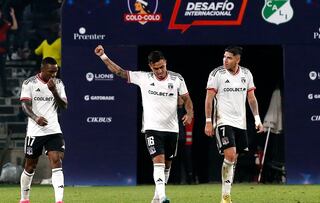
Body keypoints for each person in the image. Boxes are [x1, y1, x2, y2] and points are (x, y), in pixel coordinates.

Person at [94, 45, 193, 203]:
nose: (159, 71)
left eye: (162, 67)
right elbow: (119, 71)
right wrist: (103, 56)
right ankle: (162, 197)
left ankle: (156, 197)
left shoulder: (177, 79)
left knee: (167, 164)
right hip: (152, 128)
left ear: (166, 63)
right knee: (158, 160)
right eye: (156, 68)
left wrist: (190, 113)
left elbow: (187, 99)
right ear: (150, 67)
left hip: (172, 129)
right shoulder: (144, 78)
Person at [204, 46, 264, 203]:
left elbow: (251, 98)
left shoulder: (246, 73)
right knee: (229, 155)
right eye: (224, 57)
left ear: (237, 59)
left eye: (229, 57)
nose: (225, 60)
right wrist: (208, 121)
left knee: (233, 159)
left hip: (240, 123)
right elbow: (209, 98)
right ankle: (225, 196)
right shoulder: (217, 73)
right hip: (223, 120)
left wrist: (257, 119)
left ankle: (227, 194)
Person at [19, 57, 67, 203]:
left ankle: (59, 200)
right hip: (35, 131)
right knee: (30, 166)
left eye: (56, 72)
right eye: (51, 72)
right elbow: (24, 106)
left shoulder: (58, 84)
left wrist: (54, 92)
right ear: (42, 69)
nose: (53, 75)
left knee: (56, 160)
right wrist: (35, 117)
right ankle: (24, 199)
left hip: (53, 130)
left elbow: (64, 106)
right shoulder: (29, 83)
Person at [173, 96, 194, 184]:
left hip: (185, 140)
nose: (179, 100)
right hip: (176, 139)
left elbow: (191, 124)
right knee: (175, 160)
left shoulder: (188, 112)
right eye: (178, 98)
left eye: (181, 98)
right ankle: (177, 180)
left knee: (188, 160)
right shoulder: (173, 111)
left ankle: (190, 179)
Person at [0, 6, 17, 96]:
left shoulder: (4, 24)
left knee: (2, 72)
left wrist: (13, 15)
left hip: (2, 52)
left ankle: (5, 91)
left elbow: (15, 27)